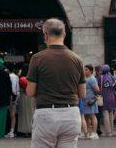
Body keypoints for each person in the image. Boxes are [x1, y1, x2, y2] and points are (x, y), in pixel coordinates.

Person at [26, 18, 85, 148]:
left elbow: (30, 92)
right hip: (71, 114)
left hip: (46, 113)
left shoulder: (37, 58)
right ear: (64, 34)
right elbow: (82, 93)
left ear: (45, 35)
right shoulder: (77, 59)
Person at [80, 65, 100, 140]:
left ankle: (94, 133)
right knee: (85, 117)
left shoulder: (92, 79)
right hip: (85, 100)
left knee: (92, 116)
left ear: (91, 71)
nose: (85, 71)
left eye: (86, 69)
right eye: (84, 69)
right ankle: (86, 132)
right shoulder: (85, 78)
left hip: (90, 100)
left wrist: (94, 96)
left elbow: (97, 89)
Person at [98, 64, 116, 137]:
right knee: (111, 114)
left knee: (105, 113)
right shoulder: (112, 77)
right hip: (112, 97)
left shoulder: (101, 78)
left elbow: (98, 88)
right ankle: (112, 130)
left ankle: (108, 131)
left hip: (104, 97)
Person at [8, 65, 20, 138]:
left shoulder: (9, 76)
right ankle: (12, 131)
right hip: (15, 96)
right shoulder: (16, 76)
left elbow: (11, 88)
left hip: (11, 96)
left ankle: (11, 131)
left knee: (11, 115)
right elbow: (17, 88)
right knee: (13, 115)